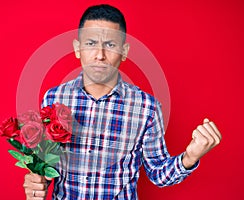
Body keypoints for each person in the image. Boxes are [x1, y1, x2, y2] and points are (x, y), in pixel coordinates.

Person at [23, 4, 222, 200]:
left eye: (110, 45)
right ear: (78, 48)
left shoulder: (147, 108)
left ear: (124, 51)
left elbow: (158, 174)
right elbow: (45, 164)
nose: (100, 55)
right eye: (91, 43)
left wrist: (190, 157)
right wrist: (36, 183)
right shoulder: (54, 99)